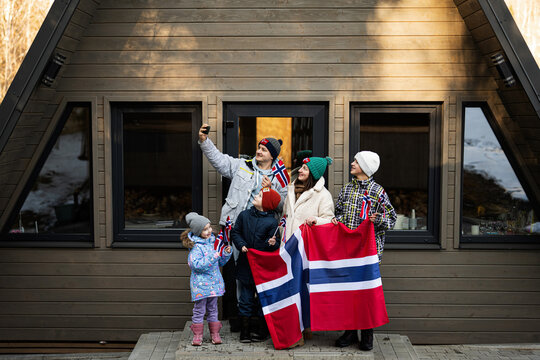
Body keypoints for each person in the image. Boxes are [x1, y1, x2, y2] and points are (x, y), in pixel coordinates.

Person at [198, 124, 288, 330]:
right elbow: (219, 161)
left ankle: (259, 318)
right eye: (259, 147)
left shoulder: (279, 178)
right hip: (236, 229)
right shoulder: (242, 165)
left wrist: (269, 189)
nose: (259, 151)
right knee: (238, 274)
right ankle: (242, 317)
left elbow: (283, 206)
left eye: (264, 149)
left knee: (259, 275)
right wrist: (204, 142)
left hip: (261, 233)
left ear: (272, 156)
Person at [331, 151, 397, 351]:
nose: (352, 163)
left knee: (366, 294)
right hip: (348, 252)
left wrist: (378, 221)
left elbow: (391, 220)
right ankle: (350, 332)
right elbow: (339, 213)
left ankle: (367, 334)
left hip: (369, 253)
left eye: (356, 161)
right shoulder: (347, 189)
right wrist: (336, 221)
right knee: (350, 292)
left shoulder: (378, 192)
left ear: (365, 167)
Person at [282, 156, 335, 347]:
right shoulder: (291, 189)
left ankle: (304, 328)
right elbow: (286, 217)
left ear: (313, 173)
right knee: (289, 288)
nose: (301, 170)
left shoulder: (323, 195)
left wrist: (316, 220)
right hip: (289, 245)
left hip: (306, 250)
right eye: (302, 167)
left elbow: (329, 219)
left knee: (302, 289)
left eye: (305, 168)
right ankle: (295, 328)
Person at [231, 187, 282, 343]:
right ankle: (245, 331)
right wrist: (241, 245)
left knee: (262, 299)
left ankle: (262, 330)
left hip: (262, 268)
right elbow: (235, 232)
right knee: (245, 299)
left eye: (260, 196)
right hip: (246, 265)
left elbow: (275, 243)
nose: (255, 196)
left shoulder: (272, 222)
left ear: (265, 204)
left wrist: (272, 243)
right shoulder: (244, 215)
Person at [181, 212, 232, 346]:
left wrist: (225, 254)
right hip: (200, 286)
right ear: (198, 232)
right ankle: (197, 335)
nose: (209, 231)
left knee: (213, 309)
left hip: (214, 283)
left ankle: (215, 333)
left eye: (209, 227)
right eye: (205, 229)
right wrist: (214, 256)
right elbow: (196, 265)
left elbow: (219, 262)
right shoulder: (196, 248)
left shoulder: (213, 243)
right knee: (199, 310)